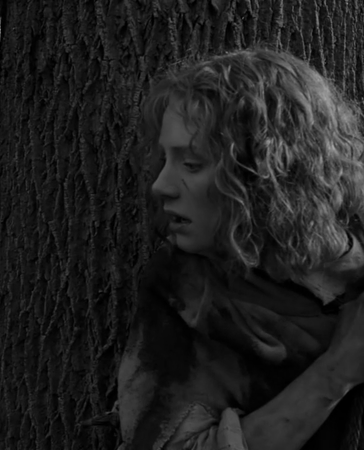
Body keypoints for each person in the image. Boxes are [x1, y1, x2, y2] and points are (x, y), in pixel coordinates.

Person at [118, 48, 364, 450]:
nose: (160, 186)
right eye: (165, 159)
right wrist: (336, 373)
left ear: (266, 173)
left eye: (191, 164)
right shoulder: (186, 291)